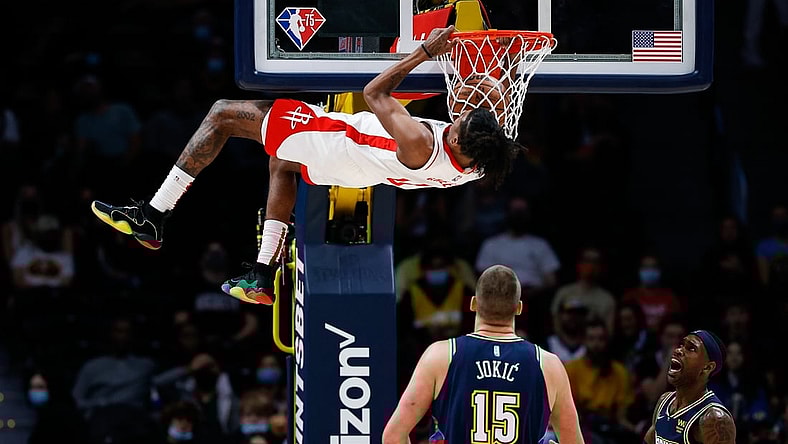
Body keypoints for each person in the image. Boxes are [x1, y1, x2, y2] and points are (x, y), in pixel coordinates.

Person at [90, 25, 522, 306]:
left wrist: (424, 53)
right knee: (281, 166)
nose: (457, 115)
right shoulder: (477, 164)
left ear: (460, 139)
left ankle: (153, 214)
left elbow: (375, 94)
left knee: (222, 113)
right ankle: (261, 273)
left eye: (458, 122)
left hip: (333, 140)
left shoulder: (421, 141)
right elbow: (492, 125)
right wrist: (493, 82)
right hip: (360, 170)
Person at [381, 265, 584, 444]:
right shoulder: (548, 364)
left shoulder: (440, 355)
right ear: (519, 308)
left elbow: (393, 437)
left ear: (473, 304)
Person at [643, 330, 737, 444]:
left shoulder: (714, 418)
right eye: (681, 345)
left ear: (707, 367)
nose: (678, 350)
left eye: (691, 348)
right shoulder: (665, 401)